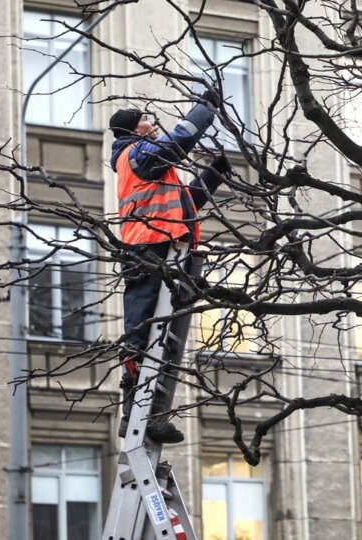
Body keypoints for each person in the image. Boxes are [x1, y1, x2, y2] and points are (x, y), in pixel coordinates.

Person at [109, 88, 229, 443]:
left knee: (161, 336)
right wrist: (205, 110)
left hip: (162, 249)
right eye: (146, 119)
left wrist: (214, 175)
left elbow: (183, 204)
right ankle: (134, 411)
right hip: (146, 250)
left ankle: (151, 413)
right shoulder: (136, 152)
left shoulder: (147, 163)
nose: (153, 122)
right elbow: (179, 141)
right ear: (133, 130)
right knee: (143, 331)